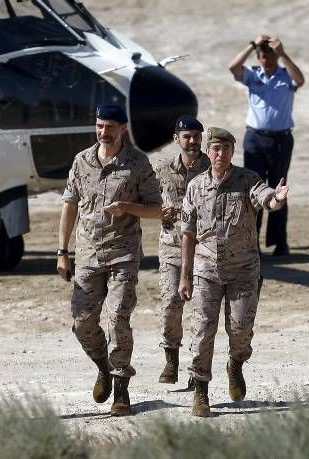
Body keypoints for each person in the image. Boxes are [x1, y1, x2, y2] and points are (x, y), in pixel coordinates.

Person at [57, 104, 162, 416]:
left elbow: (156, 209)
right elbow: (70, 205)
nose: (104, 132)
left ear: (123, 129)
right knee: (82, 322)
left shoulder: (137, 163)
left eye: (110, 127)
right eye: (100, 126)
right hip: (87, 253)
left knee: (117, 318)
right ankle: (103, 366)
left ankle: (121, 389)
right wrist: (62, 252)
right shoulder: (82, 161)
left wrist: (128, 207)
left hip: (123, 253)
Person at [178, 127, 289, 417]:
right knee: (202, 332)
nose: (220, 153)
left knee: (240, 330)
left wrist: (277, 198)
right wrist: (185, 275)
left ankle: (236, 362)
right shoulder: (196, 186)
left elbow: (266, 198)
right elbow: (187, 233)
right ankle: (200, 391)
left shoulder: (247, 180)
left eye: (226, 148)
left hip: (243, 270)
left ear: (232, 151)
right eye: (216, 148)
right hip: (206, 270)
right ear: (209, 151)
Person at [228, 35, 304, 256]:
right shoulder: (252, 74)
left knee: (278, 187)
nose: (266, 59)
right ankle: (253, 242)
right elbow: (233, 67)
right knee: (254, 189)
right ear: (258, 57)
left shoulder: (285, 74)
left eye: (269, 55)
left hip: (281, 139)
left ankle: (280, 242)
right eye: (262, 55)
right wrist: (252, 44)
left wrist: (283, 54)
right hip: (255, 139)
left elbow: (300, 80)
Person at [153, 115, 210, 385]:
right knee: (170, 306)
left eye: (196, 135)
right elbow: (141, 197)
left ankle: (196, 369)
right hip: (172, 249)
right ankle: (171, 359)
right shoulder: (162, 168)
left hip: (205, 251)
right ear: (176, 139)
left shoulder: (212, 168)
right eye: (186, 136)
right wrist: (156, 211)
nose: (192, 140)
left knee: (202, 313)